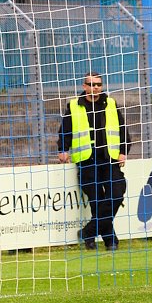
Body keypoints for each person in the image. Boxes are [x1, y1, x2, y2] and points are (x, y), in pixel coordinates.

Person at [58, 72, 131, 250]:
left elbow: (122, 128)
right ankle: (109, 241)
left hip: (109, 158)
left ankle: (88, 232)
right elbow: (65, 130)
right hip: (87, 160)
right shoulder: (75, 106)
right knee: (96, 201)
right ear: (84, 87)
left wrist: (123, 150)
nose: (95, 87)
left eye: (98, 84)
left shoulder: (110, 103)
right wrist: (62, 149)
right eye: (91, 84)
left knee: (116, 193)